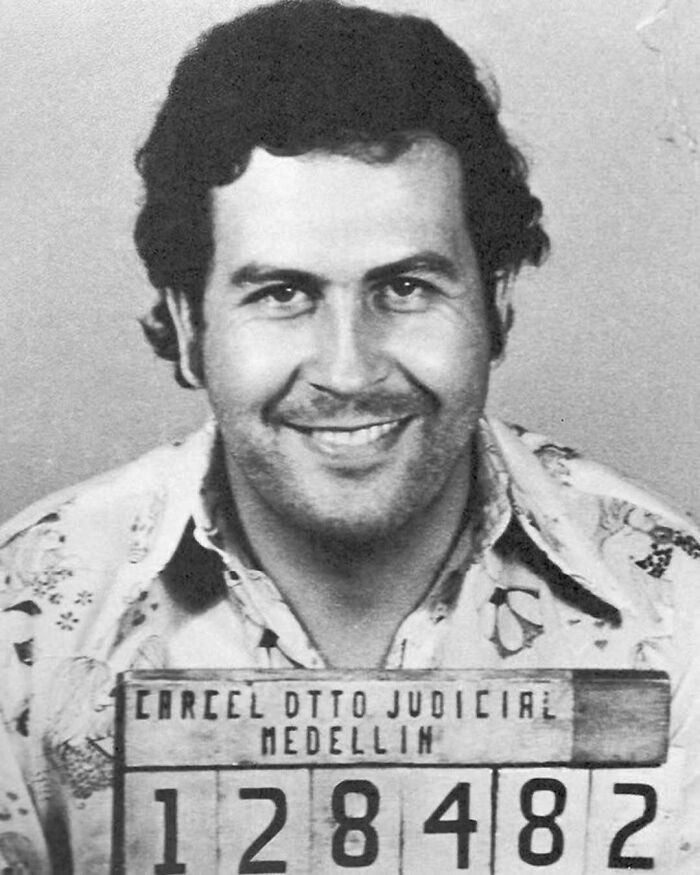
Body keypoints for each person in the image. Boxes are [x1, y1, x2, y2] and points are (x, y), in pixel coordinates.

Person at [1, 0, 699, 871]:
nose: (350, 369)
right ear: (185, 326)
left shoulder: (681, 618)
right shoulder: (16, 633)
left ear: (499, 304)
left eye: (406, 287)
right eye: (281, 293)